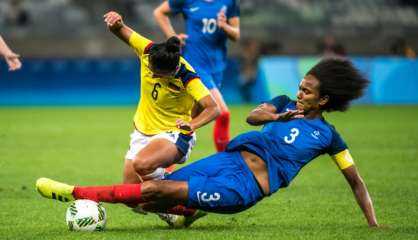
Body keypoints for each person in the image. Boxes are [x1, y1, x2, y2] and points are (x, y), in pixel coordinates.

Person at [36, 57, 379, 228]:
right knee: (145, 201)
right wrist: (278, 116)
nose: (300, 93)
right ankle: (185, 214)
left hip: (244, 187)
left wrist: (374, 225)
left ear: (323, 101)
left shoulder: (329, 137)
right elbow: (253, 117)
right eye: (301, 86)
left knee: (152, 194)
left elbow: (356, 182)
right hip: (228, 160)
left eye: (307, 90)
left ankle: (73, 192)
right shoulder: (283, 102)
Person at [103, 11, 219, 185]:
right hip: (142, 130)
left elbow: (213, 108)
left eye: (157, 74)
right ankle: (182, 208)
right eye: (150, 68)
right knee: (132, 197)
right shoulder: (149, 50)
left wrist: (192, 125)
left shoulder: (187, 78)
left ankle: (182, 190)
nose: (152, 74)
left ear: (171, 72)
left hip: (172, 133)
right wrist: (115, 22)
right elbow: (120, 30)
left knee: (142, 165)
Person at [153, 0, 240, 152]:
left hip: (216, 66)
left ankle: (165, 162)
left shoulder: (229, 2)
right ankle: (227, 163)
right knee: (222, 112)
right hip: (194, 63)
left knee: (191, 118)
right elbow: (159, 12)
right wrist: (173, 37)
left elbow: (236, 34)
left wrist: (225, 26)